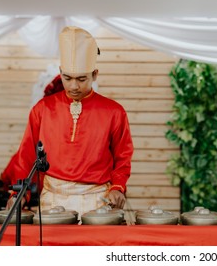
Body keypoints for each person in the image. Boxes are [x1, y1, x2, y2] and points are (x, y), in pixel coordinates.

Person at [7, 26, 134, 219]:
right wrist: (20, 192)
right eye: (67, 78)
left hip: (98, 200)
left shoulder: (114, 112)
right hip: (52, 200)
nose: (74, 86)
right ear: (60, 73)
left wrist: (118, 186)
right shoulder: (42, 109)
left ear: (95, 74)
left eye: (81, 79)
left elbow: (122, 156)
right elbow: (26, 155)